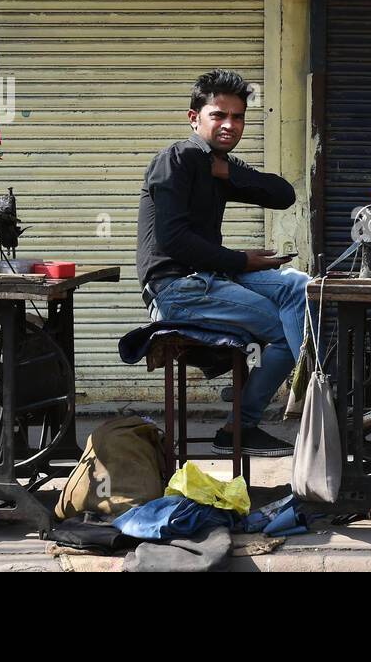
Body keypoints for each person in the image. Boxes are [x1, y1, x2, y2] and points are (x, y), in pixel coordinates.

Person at [136, 69, 307, 457]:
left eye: (239, 116)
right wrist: (243, 260)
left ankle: (314, 391)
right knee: (283, 328)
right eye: (219, 115)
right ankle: (243, 426)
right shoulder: (175, 160)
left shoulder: (218, 166)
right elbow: (173, 241)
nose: (230, 124)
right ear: (194, 118)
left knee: (300, 285)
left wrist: (230, 171)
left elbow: (283, 194)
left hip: (212, 279)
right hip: (176, 290)